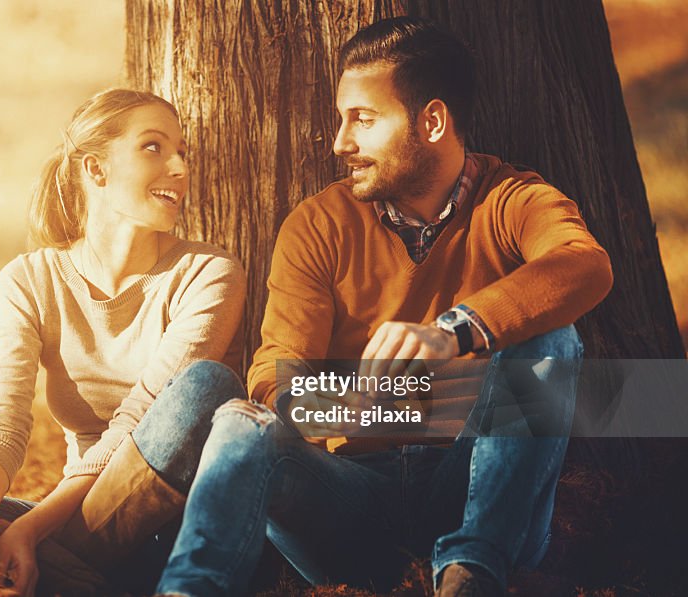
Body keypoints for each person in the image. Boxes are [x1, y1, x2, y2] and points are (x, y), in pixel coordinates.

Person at [154, 17, 613, 597]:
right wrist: (385, 408)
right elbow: (274, 379)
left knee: (553, 342)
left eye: (363, 120)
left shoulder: (514, 201)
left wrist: (453, 333)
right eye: (342, 119)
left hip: (474, 489)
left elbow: (584, 265)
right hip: (348, 500)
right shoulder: (318, 225)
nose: (340, 142)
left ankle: (471, 576)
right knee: (238, 424)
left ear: (433, 121)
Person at [0, 89, 247, 596]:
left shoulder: (208, 273)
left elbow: (141, 416)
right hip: (77, 518)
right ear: (96, 170)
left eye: (183, 152)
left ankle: (52, 568)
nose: (178, 166)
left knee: (206, 385)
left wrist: (29, 528)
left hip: (176, 526)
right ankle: (81, 579)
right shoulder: (29, 280)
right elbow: (3, 417)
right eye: (154, 147)